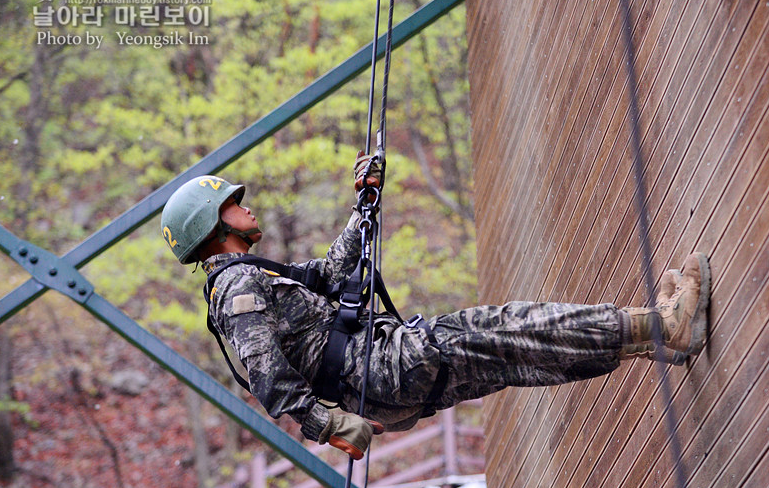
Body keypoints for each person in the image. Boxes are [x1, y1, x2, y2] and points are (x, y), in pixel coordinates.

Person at [160, 157, 711, 460]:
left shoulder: (251, 278)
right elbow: (267, 376)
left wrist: (365, 204)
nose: (246, 206)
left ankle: (654, 340)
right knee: (507, 327)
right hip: (380, 368)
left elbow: (328, 274)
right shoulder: (236, 293)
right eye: (233, 205)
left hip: (379, 384)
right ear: (213, 226)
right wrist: (326, 424)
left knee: (511, 360)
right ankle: (666, 325)